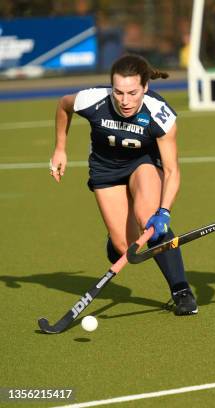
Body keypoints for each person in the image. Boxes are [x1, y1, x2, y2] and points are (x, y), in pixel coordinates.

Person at [49, 54, 198, 316]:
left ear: (145, 88)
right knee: (124, 249)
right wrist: (60, 149)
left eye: (132, 93)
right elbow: (63, 106)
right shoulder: (92, 99)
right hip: (105, 169)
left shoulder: (160, 115)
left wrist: (164, 212)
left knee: (148, 218)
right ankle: (115, 235)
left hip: (144, 163)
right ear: (111, 88)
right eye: (118, 92)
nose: (125, 100)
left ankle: (181, 290)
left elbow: (173, 170)